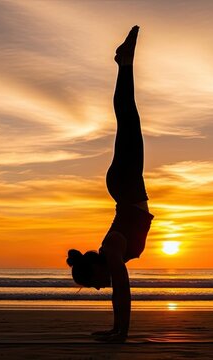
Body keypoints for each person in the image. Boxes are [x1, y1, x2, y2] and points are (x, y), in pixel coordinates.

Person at [66, 25, 153, 343]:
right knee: (128, 119)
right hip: (124, 185)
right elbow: (119, 290)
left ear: (96, 269)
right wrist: (116, 330)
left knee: (128, 117)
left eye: (95, 284)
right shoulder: (113, 251)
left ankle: (124, 63)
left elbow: (123, 292)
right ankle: (124, 63)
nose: (101, 287)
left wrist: (121, 332)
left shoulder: (113, 250)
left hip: (127, 185)